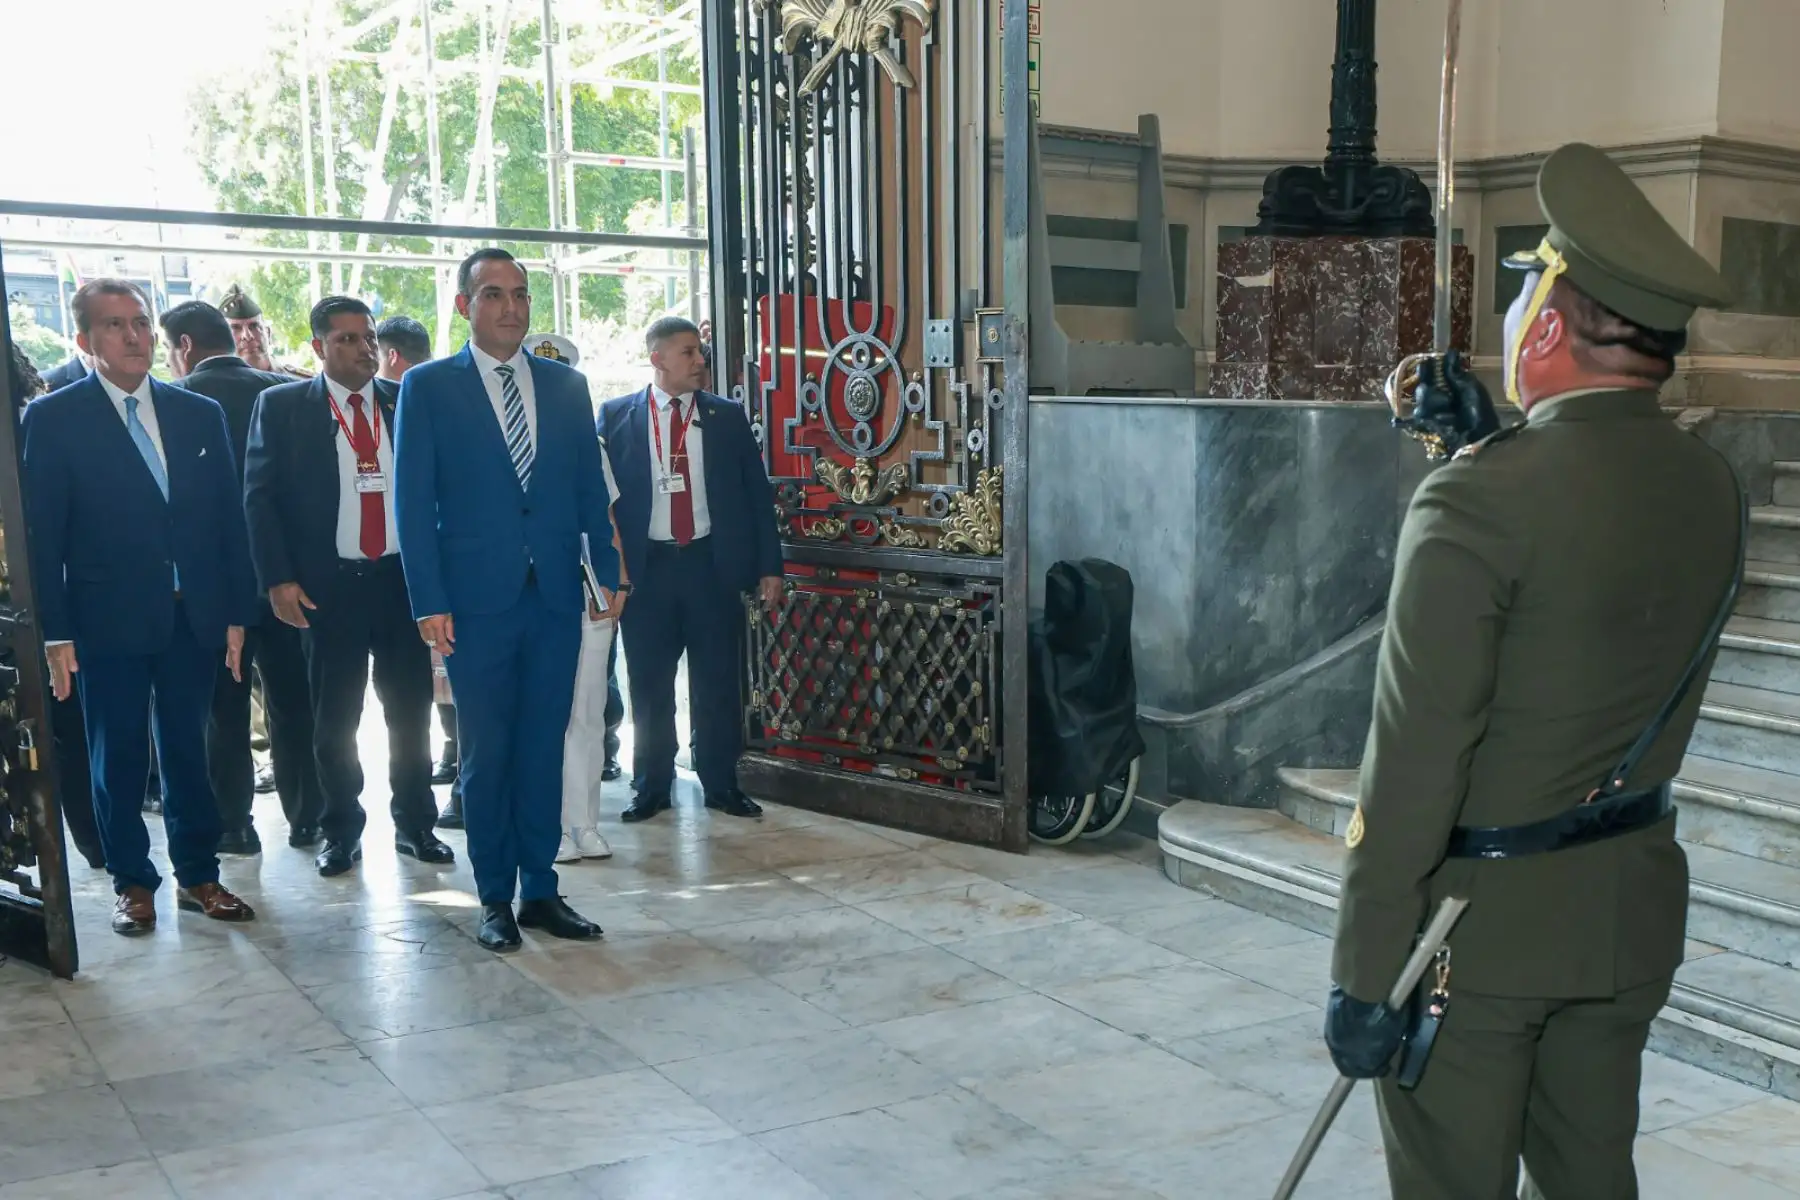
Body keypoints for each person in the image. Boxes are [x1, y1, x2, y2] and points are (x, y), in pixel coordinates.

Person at [1323, 142, 1744, 1200]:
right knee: (1594, 1181)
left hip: (1481, 941)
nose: (1512, 321)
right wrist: (1496, 442)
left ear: (1548, 326)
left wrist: (1366, 971)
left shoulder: (1478, 504)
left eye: (1523, 296)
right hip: (1626, 913)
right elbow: (1595, 546)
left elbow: (1414, 766)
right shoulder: (1713, 484)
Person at [394, 248, 622, 950]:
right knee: (487, 753)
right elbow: (413, 500)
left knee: (541, 747)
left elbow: (589, 485)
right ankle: (493, 894)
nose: (512, 307)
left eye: (520, 294)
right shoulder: (429, 387)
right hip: (474, 602)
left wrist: (608, 569)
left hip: (553, 596)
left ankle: (540, 889)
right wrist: (427, 598)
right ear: (465, 305)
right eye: (494, 294)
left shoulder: (564, 385)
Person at [21, 279, 259, 935]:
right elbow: (44, 535)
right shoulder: (53, 418)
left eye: (140, 323)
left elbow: (228, 524)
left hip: (194, 616)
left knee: (190, 750)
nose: (133, 336)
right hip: (106, 621)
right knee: (117, 755)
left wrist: (237, 612)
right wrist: (56, 634)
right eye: (114, 325)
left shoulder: (196, 413)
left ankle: (199, 874)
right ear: (85, 341)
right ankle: (132, 881)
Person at [245, 296, 454, 877]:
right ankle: (341, 829)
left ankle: (416, 824)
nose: (363, 349)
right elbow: (258, 499)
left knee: (410, 713)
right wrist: (278, 580)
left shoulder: (402, 401)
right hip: (326, 588)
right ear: (318, 347)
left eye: (367, 338)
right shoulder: (282, 407)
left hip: (398, 583)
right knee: (334, 718)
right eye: (346, 339)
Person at [599, 317, 783, 824]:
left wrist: (770, 566)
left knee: (718, 682)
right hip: (647, 571)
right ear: (657, 359)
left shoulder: (725, 416)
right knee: (649, 684)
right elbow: (600, 502)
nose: (701, 361)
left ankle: (721, 783)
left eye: (699, 351)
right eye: (688, 353)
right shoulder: (615, 417)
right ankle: (652, 785)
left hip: (711, 566)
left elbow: (756, 495)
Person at [161, 300, 322, 855]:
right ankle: (309, 819)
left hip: (217, 585)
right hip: (286, 578)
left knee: (223, 711)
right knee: (294, 702)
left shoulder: (172, 403)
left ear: (183, 347)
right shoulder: (287, 392)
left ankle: (234, 824)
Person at [7, 342, 103, 871]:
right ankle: (90, 839)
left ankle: (91, 838)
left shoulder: (45, 421)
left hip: (47, 599)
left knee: (68, 722)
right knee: (67, 728)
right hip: (39, 600)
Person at [374, 314, 461, 787]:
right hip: (370, 573)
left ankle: (453, 759)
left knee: (443, 678)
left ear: (389, 353)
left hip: (433, 569)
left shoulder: (441, 398)